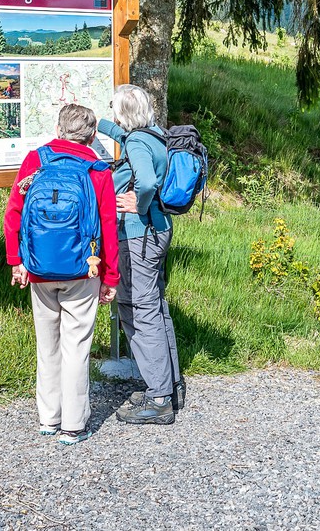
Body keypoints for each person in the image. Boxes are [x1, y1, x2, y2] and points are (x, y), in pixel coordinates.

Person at [4, 104, 118, 445]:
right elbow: (108, 227)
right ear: (92, 136)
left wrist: (17, 260)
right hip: (84, 270)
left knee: (47, 345)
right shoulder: (98, 170)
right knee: (76, 346)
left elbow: (14, 211)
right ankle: (73, 425)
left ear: (58, 129)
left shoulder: (35, 160)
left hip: (38, 268)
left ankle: (48, 418)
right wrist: (110, 277)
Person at [98, 84, 183, 426]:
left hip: (139, 235)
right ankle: (170, 387)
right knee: (156, 307)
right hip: (158, 230)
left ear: (122, 113)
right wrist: (98, 124)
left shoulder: (135, 142)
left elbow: (145, 182)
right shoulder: (154, 134)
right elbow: (127, 137)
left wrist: (140, 204)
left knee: (139, 309)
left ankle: (158, 399)